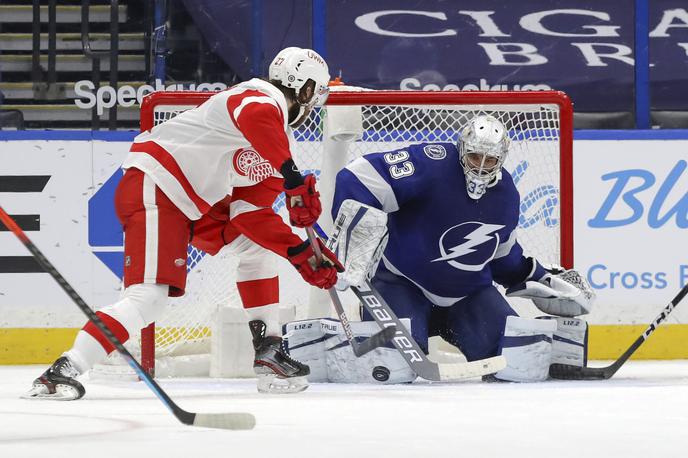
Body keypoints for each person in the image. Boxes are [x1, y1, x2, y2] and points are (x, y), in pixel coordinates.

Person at [25, 46, 342, 399]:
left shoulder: (281, 141)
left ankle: (268, 351)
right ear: (306, 88)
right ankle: (62, 370)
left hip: (191, 203)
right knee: (149, 298)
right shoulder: (257, 96)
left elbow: (251, 215)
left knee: (256, 249)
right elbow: (256, 116)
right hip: (157, 186)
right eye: (318, 91)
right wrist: (292, 176)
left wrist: (300, 252)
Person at [329, 114, 595, 382]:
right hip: (400, 284)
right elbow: (357, 177)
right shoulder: (432, 163)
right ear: (461, 149)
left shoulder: (506, 196)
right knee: (393, 365)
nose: (480, 167)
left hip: (468, 297)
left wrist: (538, 276)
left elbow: (502, 258)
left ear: (501, 159)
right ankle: (341, 340)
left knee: (520, 363)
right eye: (474, 157)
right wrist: (356, 234)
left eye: (489, 160)